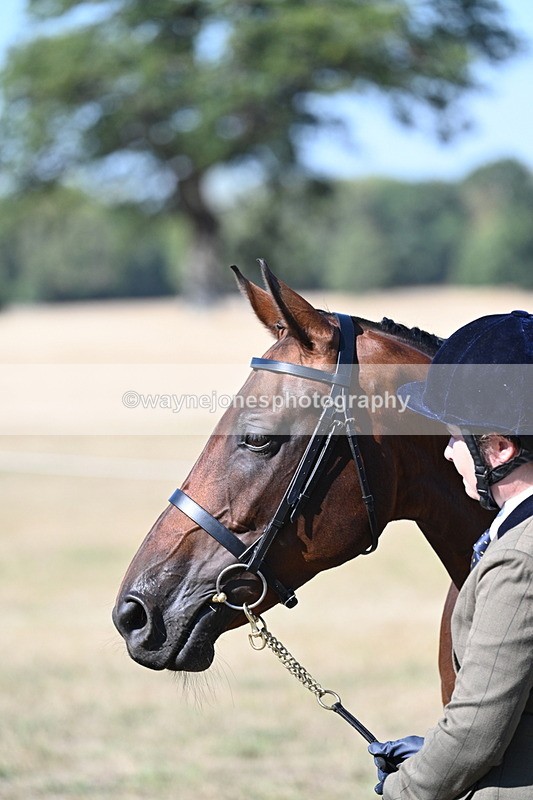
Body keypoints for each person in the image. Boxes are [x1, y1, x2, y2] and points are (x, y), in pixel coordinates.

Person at [369, 310, 533, 800]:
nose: (447, 453)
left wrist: (404, 788)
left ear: (499, 448)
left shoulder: (520, 560)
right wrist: (429, 750)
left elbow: (473, 736)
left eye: (457, 437)